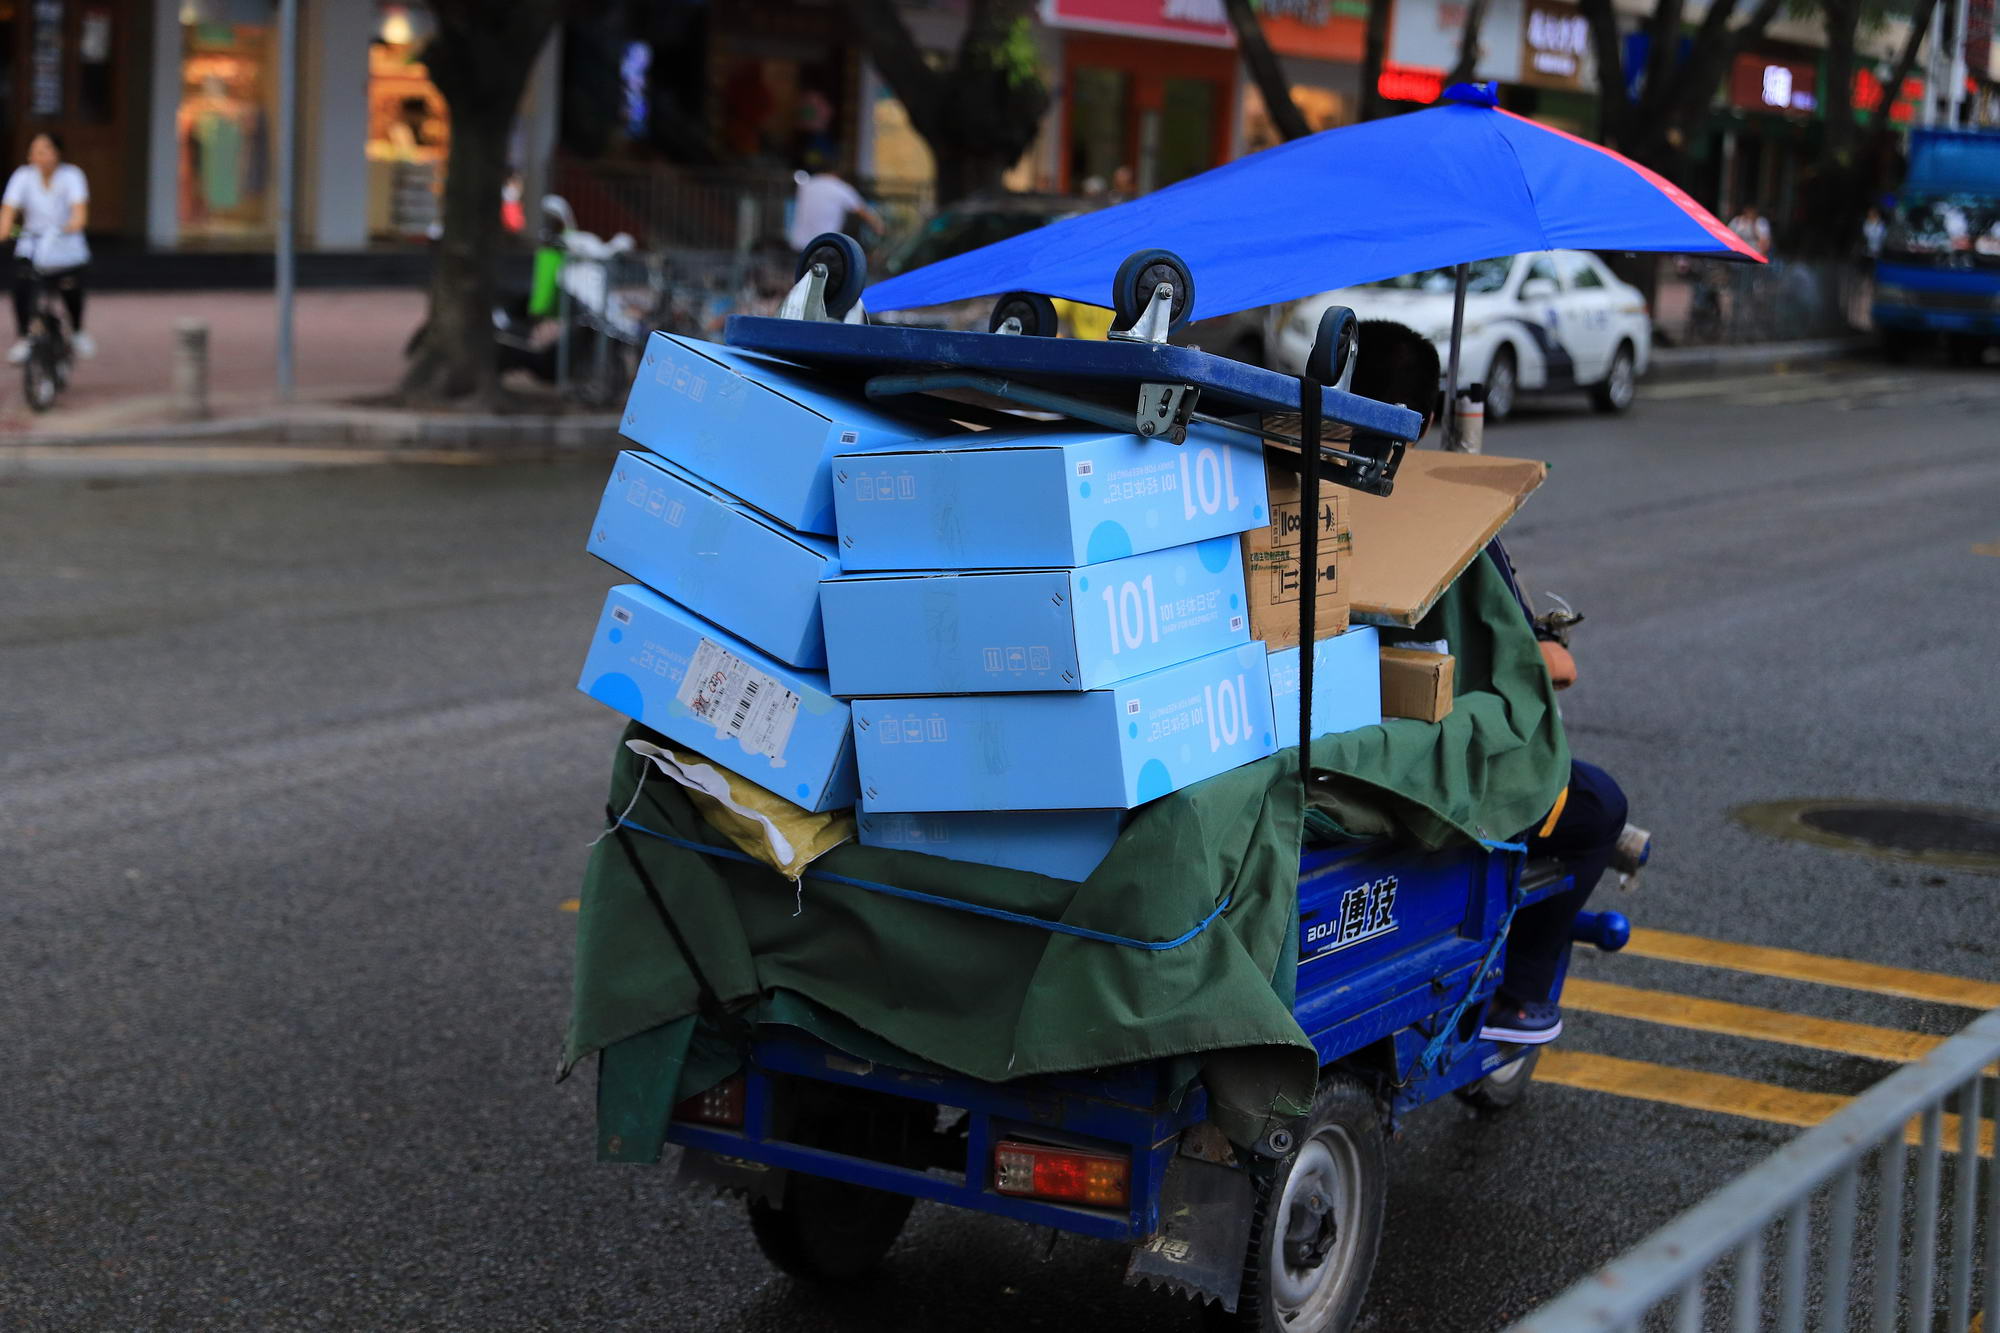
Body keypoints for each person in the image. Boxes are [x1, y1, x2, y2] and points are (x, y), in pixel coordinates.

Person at [1346, 320, 1629, 1047]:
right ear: (1432, 419)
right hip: (1419, 757)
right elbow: (1546, 669)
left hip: (1325, 742)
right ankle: (1523, 997)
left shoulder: (1288, 491)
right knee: (1599, 806)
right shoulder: (1453, 520)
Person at [0, 131, 92, 364]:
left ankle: (78, 331)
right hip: (33, 246)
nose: (39, 156)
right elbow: (8, 213)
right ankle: (24, 337)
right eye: (35, 151)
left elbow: (79, 215)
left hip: (65, 247)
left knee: (72, 288)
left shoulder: (72, 176)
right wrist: (5, 231)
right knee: (21, 288)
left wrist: (67, 227)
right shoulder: (22, 177)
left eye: (45, 150)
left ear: (57, 153)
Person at [785, 166, 883, 254]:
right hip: (822, 246)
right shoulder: (840, 187)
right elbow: (863, 211)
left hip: (798, 243)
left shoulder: (807, 185)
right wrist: (878, 226)